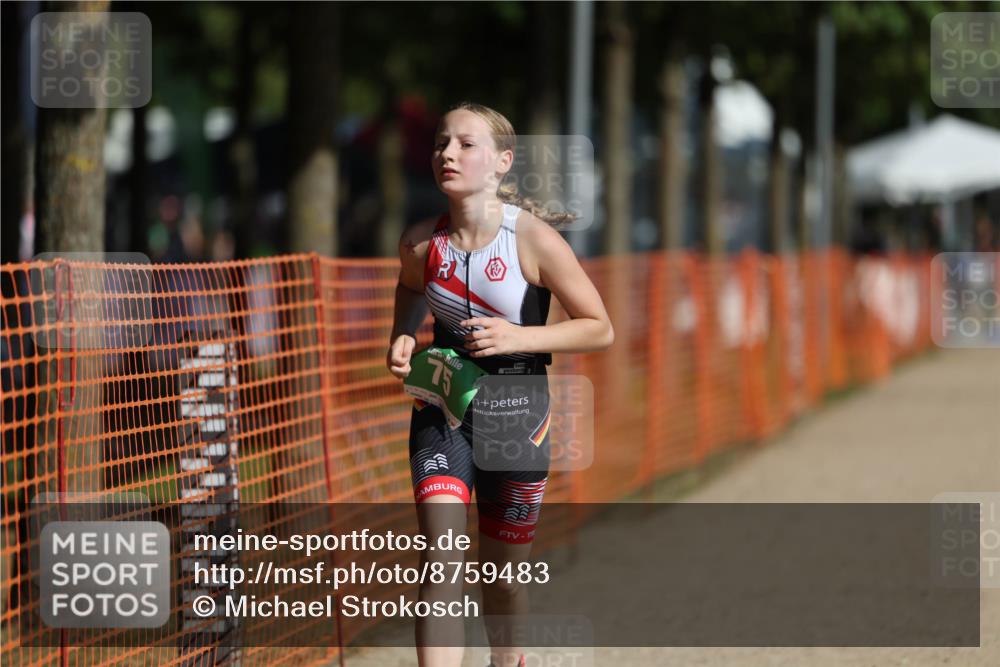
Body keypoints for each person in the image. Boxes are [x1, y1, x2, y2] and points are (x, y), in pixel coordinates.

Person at [386, 101, 614, 667]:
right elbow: (410, 287)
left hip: (518, 415)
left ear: (502, 162)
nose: (448, 154)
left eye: (466, 144)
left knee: (503, 578)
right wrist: (403, 333)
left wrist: (519, 338)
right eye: (441, 143)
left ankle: (508, 660)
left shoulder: (532, 240)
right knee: (441, 561)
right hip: (442, 408)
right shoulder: (420, 242)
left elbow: (599, 327)